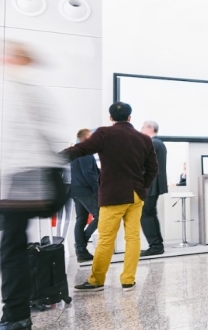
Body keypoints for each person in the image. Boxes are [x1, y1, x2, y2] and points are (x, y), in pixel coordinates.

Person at [0, 42, 66, 330]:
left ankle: (16, 316)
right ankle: (17, 314)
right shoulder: (34, 90)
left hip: (25, 177)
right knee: (13, 245)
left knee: (11, 248)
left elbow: (10, 139)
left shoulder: (14, 89)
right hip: (39, 175)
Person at [62, 102, 158, 292]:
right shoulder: (144, 139)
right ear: (130, 117)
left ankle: (96, 280)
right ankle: (128, 280)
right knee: (133, 238)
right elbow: (153, 168)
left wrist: (56, 157)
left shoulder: (104, 133)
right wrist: (143, 186)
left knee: (106, 238)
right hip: (136, 195)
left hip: (113, 195)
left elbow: (81, 149)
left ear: (111, 118)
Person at [70, 128, 100, 262]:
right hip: (86, 191)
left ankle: (81, 251)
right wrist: (97, 188)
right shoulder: (85, 152)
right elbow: (88, 173)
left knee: (81, 219)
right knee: (101, 216)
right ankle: (81, 245)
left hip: (76, 191)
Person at [140, 120, 168, 257]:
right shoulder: (159, 143)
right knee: (150, 213)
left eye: (143, 127)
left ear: (150, 128)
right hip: (154, 183)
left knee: (146, 214)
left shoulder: (152, 143)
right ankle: (157, 244)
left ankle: (155, 245)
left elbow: (143, 164)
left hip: (150, 183)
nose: (141, 130)